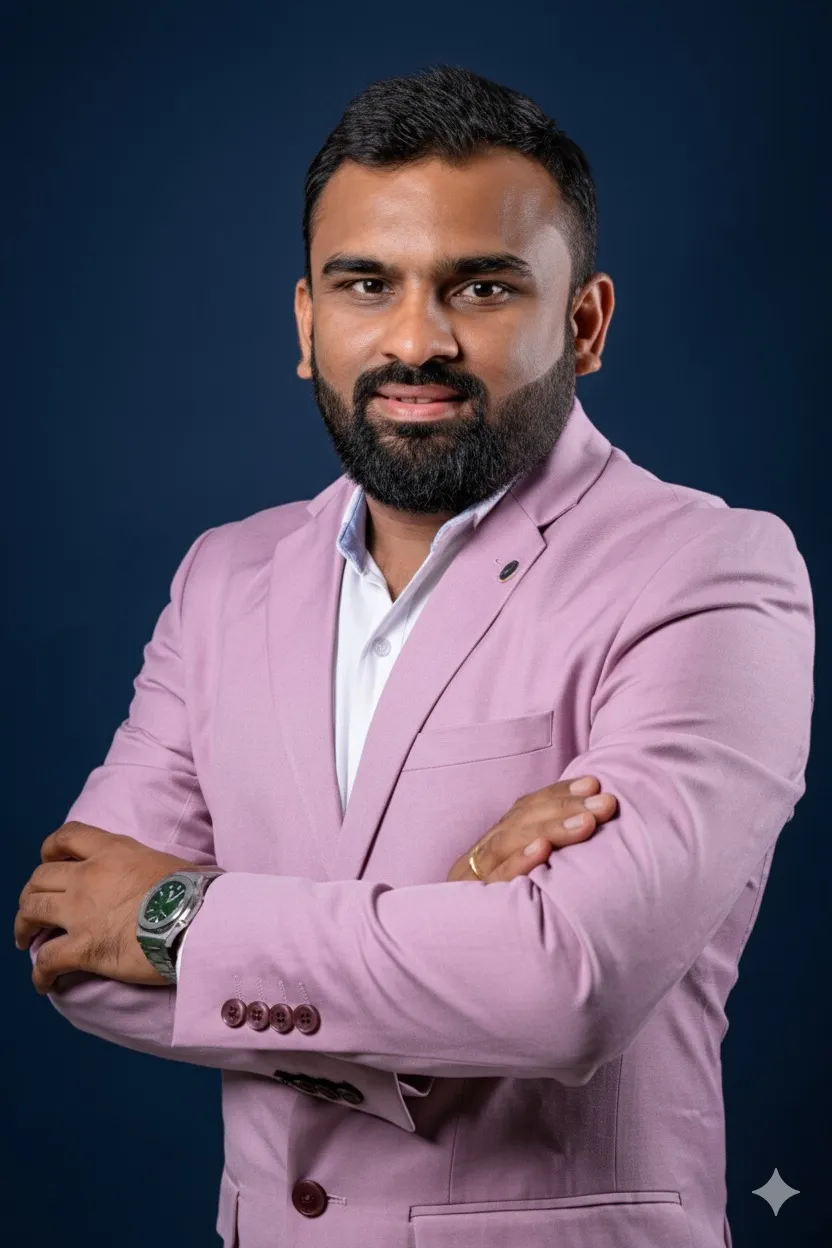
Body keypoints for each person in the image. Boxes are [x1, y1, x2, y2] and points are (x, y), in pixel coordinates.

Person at [14, 64, 814, 1248]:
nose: (414, 340)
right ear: (306, 324)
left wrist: (175, 923)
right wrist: (452, 935)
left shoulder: (710, 572)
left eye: (481, 286)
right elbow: (71, 942)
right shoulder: (223, 577)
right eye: (365, 283)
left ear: (584, 324)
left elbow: (566, 988)